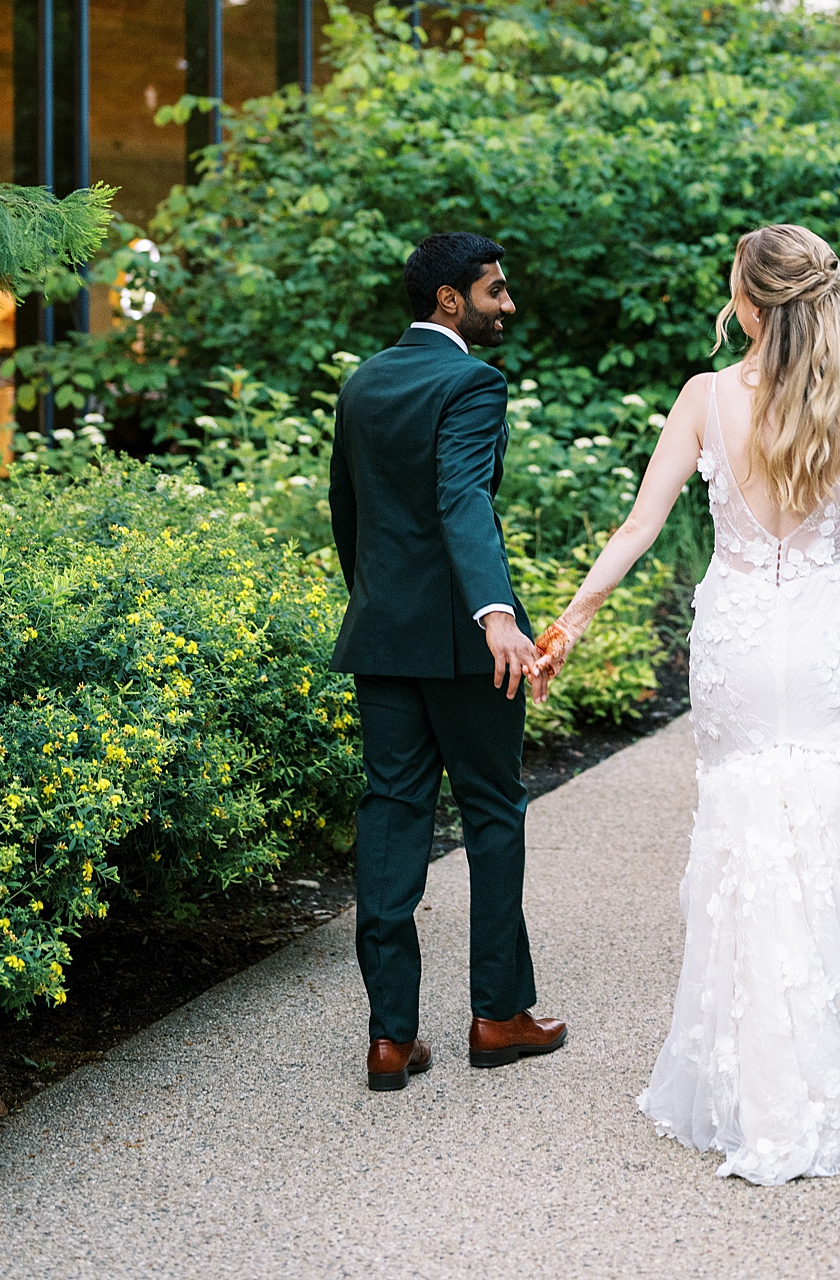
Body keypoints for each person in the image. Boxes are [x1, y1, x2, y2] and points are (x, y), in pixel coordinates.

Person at [536, 224, 840, 1182]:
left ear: (747, 302)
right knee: (828, 832)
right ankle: (835, 1080)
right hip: (827, 632)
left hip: (740, 632)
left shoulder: (705, 399)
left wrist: (572, 619)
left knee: (744, 832)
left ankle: (750, 1081)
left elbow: (642, 524)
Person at [329, 231, 567, 1092]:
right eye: (495, 291)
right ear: (448, 301)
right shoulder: (472, 381)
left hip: (383, 638)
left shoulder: (362, 381)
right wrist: (495, 614)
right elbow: (462, 497)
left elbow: (345, 514)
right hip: (471, 647)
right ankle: (497, 1015)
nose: (508, 304)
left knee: (392, 815)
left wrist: (382, 604)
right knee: (493, 811)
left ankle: (390, 1037)